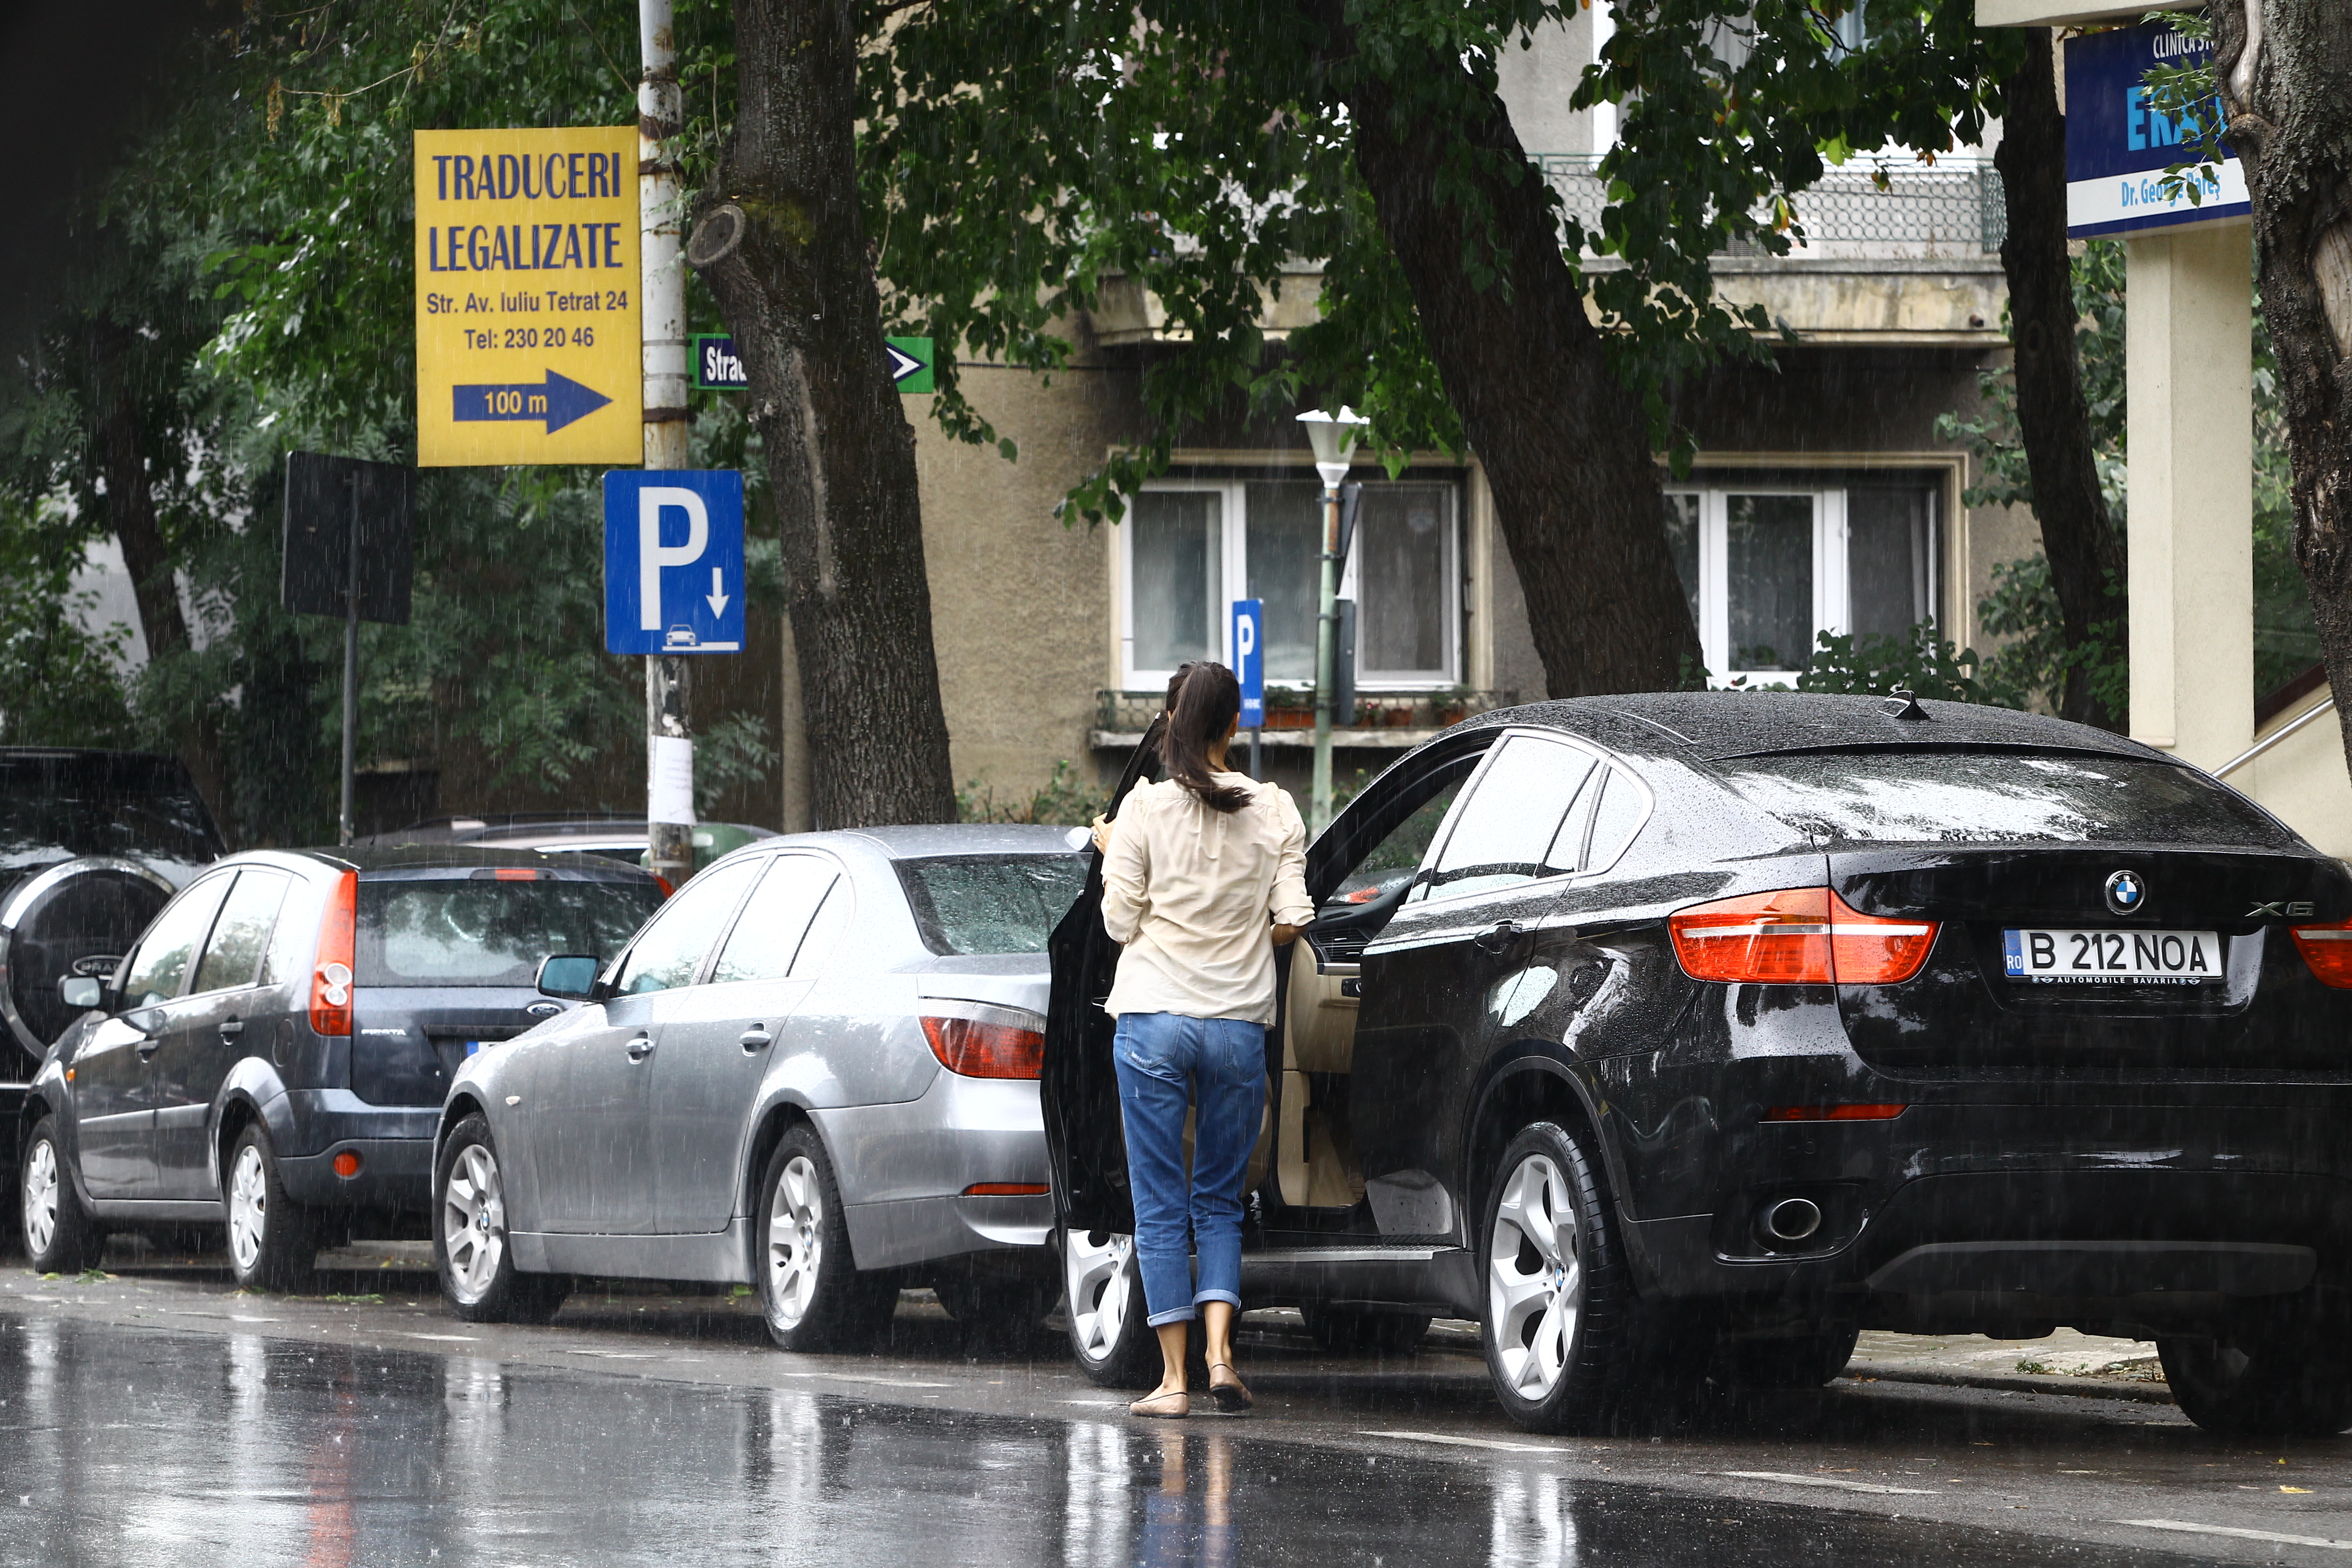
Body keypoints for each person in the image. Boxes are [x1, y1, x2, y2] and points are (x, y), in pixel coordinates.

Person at [1095, 660, 1312, 1419]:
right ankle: (1224, 1355)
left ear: (1169, 721)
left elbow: (1119, 924)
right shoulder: (1276, 809)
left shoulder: (1143, 812)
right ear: (1234, 725)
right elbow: (1292, 922)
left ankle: (1175, 1381)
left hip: (1153, 1019)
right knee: (1218, 1200)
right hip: (1235, 1027)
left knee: (1159, 1206)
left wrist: (1108, 849)